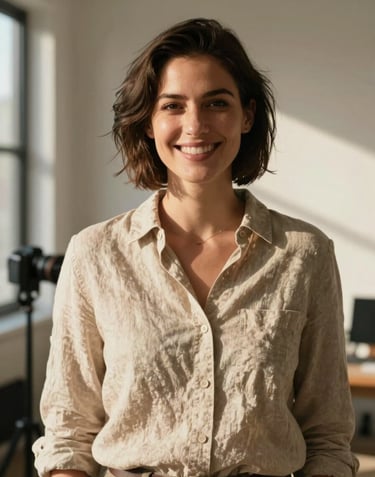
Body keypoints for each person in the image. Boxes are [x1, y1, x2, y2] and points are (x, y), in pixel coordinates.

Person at [33, 18, 359, 477]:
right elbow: (69, 433)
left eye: (216, 103)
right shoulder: (95, 254)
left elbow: (327, 435)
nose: (195, 125)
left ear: (246, 115)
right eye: (173, 105)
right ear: (148, 121)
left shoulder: (305, 255)